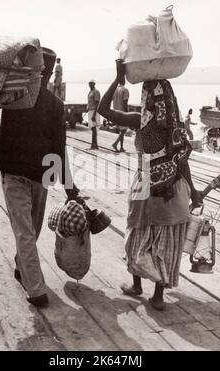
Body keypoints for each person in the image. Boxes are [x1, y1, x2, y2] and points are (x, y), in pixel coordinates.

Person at [98, 60, 203, 311]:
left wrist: (117, 80)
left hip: (147, 188)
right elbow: (182, 164)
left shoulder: (139, 121)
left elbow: (103, 109)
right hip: (170, 191)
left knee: (139, 236)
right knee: (161, 242)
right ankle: (156, 295)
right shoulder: (175, 128)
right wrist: (194, 189)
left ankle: (140, 286)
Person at [0, 47, 79, 308]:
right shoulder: (55, 105)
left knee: (26, 232)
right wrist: (69, 187)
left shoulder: (14, 96)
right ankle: (36, 289)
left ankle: (22, 267)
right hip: (37, 176)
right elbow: (59, 150)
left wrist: (68, 186)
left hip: (18, 173)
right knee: (28, 231)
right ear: (49, 71)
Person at [112, 77, 129, 152]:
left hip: (115, 112)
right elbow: (125, 103)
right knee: (124, 131)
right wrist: (128, 113)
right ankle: (115, 143)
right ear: (124, 81)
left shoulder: (114, 90)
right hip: (122, 112)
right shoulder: (125, 90)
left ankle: (121, 147)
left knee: (121, 130)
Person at [87, 79, 101, 150]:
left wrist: (94, 115)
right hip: (90, 111)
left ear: (94, 84)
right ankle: (94, 144)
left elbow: (97, 103)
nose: (90, 85)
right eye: (89, 83)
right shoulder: (90, 91)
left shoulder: (96, 92)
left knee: (94, 128)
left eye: (91, 83)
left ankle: (94, 145)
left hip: (94, 111)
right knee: (93, 128)